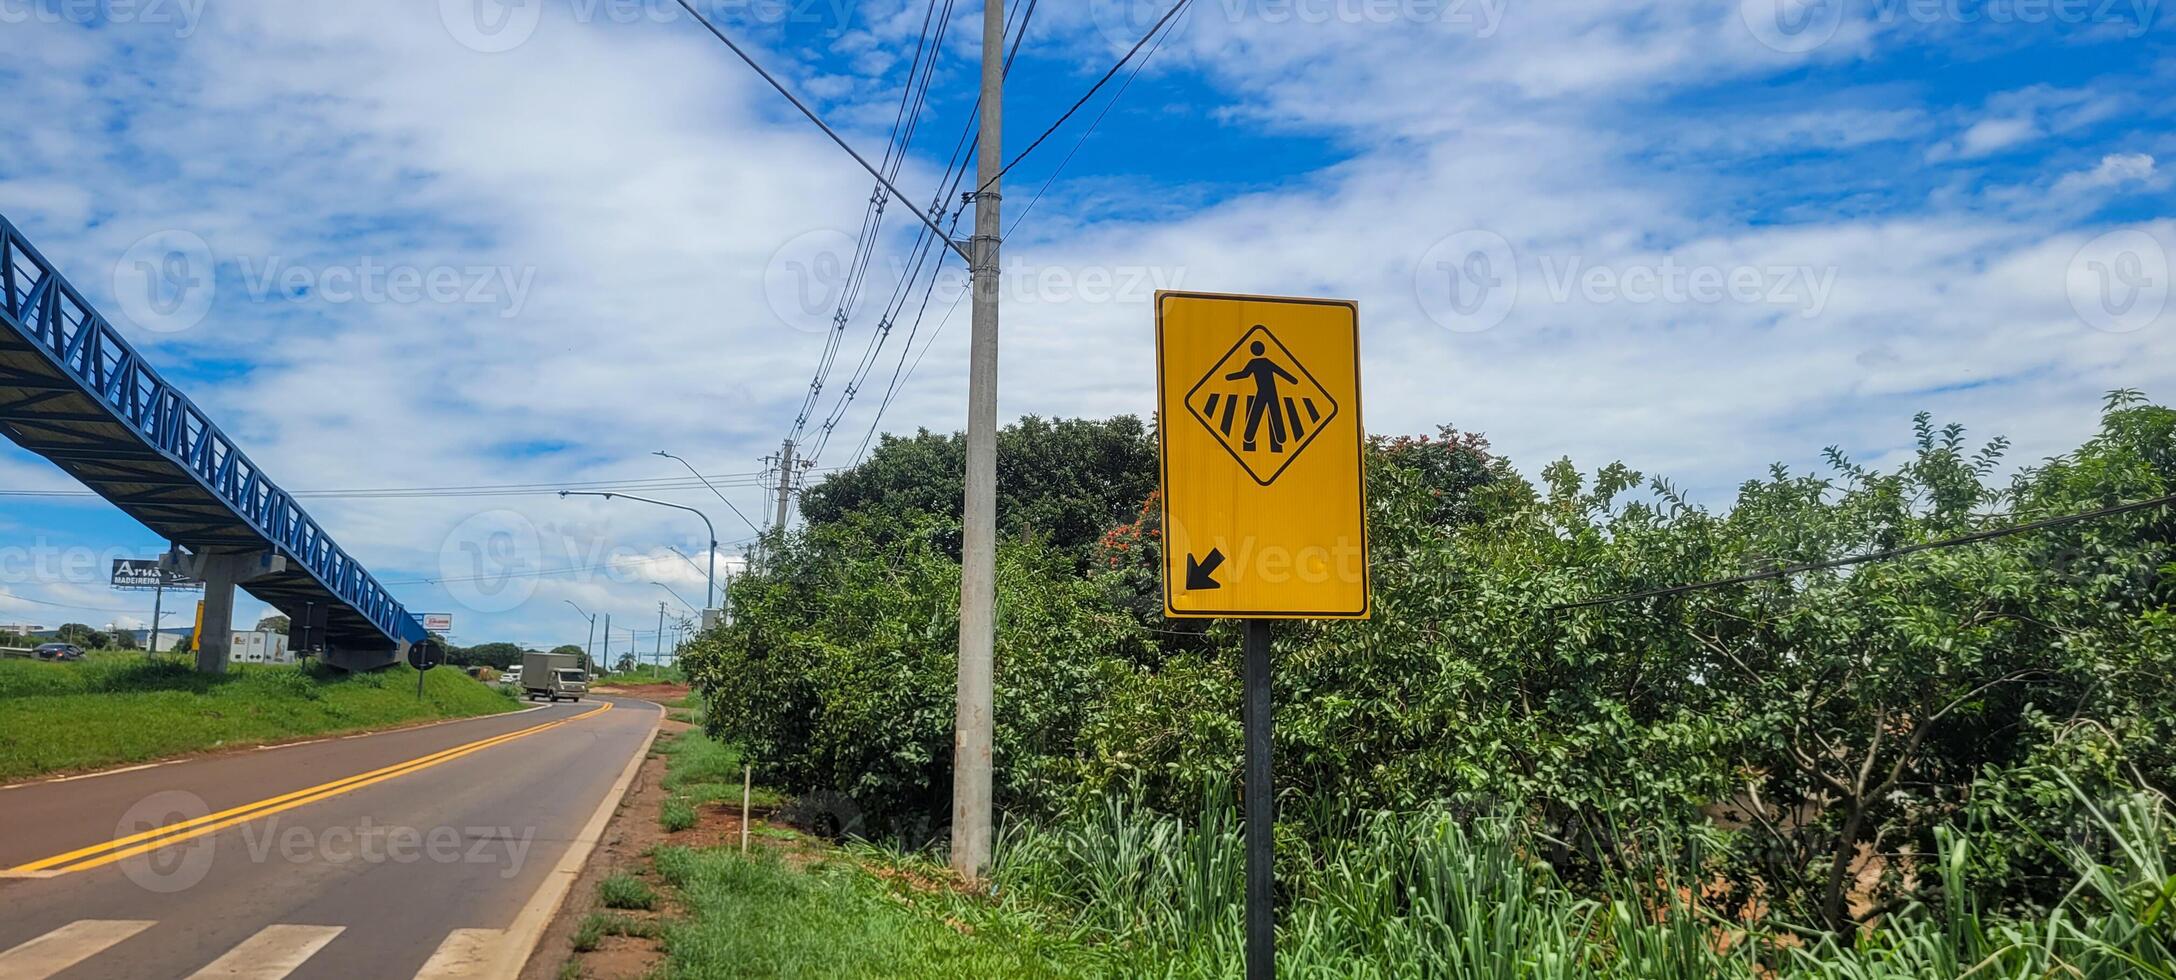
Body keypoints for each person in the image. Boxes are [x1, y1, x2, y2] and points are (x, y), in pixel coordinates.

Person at [1225, 338, 1298, 453]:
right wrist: (1293, 380)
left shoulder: (1254, 362)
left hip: (1264, 391)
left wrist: (1229, 377)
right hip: (1269, 391)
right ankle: (1278, 436)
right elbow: (1280, 371)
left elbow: (1245, 374)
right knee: (1273, 411)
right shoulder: (1265, 362)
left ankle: (1251, 436)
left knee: (1258, 411)